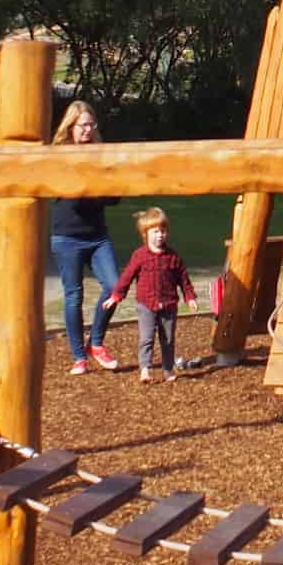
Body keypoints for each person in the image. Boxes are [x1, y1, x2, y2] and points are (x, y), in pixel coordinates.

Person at [50, 100, 121, 376]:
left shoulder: (100, 155)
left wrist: (98, 193)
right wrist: (94, 194)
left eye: (91, 125)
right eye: (82, 125)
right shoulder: (61, 156)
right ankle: (79, 356)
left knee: (115, 287)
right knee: (73, 296)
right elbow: (73, 197)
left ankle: (97, 343)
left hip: (97, 237)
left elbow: (114, 194)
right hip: (67, 236)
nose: (87, 130)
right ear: (70, 127)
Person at [103, 207, 198, 383]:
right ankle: (145, 369)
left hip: (169, 305)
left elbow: (184, 279)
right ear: (145, 234)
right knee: (146, 338)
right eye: (155, 231)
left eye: (163, 231)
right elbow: (127, 277)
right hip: (146, 304)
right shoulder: (140, 255)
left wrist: (190, 297)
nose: (160, 235)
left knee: (168, 339)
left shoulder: (173, 256)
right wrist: (115, 296)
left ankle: (168, 369)